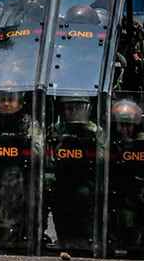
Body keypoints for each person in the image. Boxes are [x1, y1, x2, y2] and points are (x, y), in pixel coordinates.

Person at [0, 88, 42, 251]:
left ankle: (13, 238)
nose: (6, 104)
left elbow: (38, 150)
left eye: (11, 99)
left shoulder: (28, 123)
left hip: (20, 175)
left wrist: (19, 143)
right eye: (2, 99)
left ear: (20, 103)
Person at [43, 96, 103, 251]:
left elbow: (103, 159)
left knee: (83, 196)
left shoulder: (96, 132)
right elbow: (47, 155)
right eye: (69, 108)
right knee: (57, 200)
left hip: (86, 179)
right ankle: (64, 239)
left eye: (78, 108)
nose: (74, 112)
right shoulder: (55, 131)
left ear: (87, 109)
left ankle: (85, 240)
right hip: (61, 178)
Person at [108, 98, 144, 257]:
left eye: (128, 125)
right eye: (121, 125)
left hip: (142, 186)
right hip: (117, 186)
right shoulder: (108, 142)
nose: (124, 130)